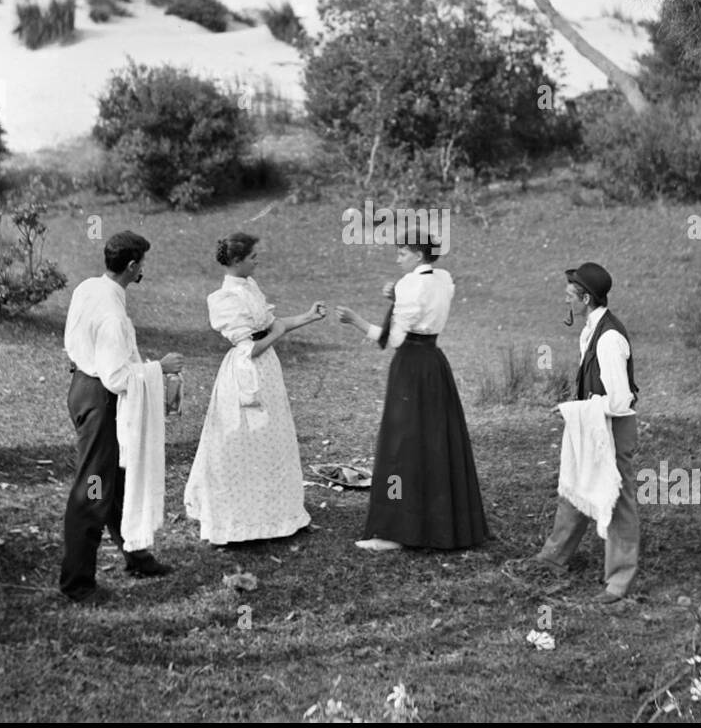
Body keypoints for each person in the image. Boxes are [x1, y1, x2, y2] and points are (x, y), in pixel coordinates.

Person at [336, 233, 488, 552]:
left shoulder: (408, 285)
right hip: (434, 363)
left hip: (409, 367)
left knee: (401, 444)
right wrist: (397, 296)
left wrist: (355, 320)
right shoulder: (445, 280)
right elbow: (425, 304)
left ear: (418, 256)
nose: (398, 259)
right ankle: (445, 524)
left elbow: (391, 340)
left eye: (403, 253)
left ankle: (395, 530)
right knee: (435, 442)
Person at [61, 231, 183, 603]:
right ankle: (77, 583)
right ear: (132, 266)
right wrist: (158, 369)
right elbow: (116, 378)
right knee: (94, 487)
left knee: (115, 478)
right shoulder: (113, 314)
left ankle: (136, 554)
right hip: (100, 401)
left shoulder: (89, 288)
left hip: (83, 387)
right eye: (142, 263)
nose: (144, 269)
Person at [183, 232, 322, 545]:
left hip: (267, 370)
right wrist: (279, 332)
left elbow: (271, 324)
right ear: (236, 261)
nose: (257, 261)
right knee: (242, 438)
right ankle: (240, 518)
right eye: (253, 257)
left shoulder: (250, 286)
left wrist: (307, 317)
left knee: (272, 437)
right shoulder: (225, 298)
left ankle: (274, 512)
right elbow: (249, 348)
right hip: (245, 373)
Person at [532, 262, 640, 603]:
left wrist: (575, 409)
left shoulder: (608, 339)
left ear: (587, 299)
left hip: (613, 426)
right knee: (576, 482)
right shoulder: (590, 330)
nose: (566, 302)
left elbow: (621, 400)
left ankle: (619, 581)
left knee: (617, 498)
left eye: (570, 296)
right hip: (593, 422)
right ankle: (555, 555)